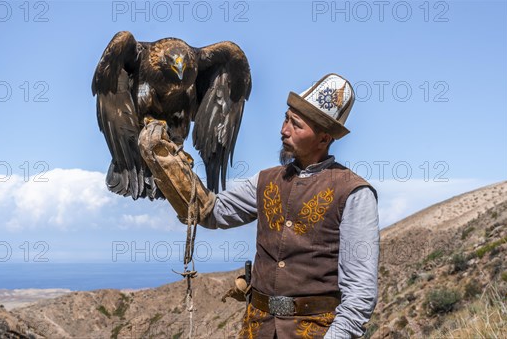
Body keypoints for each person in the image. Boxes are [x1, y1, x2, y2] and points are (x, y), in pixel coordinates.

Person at [139, 73, 379, 338]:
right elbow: (212, 212)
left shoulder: (354, 193)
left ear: (323, 139)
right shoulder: (265, 180)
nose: (283, 130)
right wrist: (166, 163)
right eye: (286, 118)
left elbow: (360, 294)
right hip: (256, 328)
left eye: (296, 125)